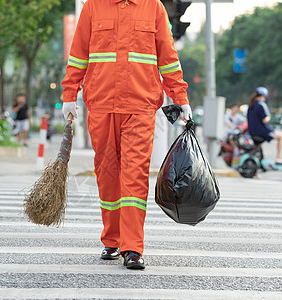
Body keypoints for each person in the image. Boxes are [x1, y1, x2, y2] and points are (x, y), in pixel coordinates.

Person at [61, 0, 190, 270]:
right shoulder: (93, 7)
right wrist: (69, 95)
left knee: (134, 175)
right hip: (101, 105)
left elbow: (167, 57)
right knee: (107, 175)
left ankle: (132, 248)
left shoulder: (153, 7)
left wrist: (181, 97)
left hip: (140, 106)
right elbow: (78, 54)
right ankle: (112, 238)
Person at [247, 87, 282, 164]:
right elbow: (264, 120)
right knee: (281, 136)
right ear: (263, 96)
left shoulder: (251, 105)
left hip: (252, 131)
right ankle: (278, 158)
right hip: (261, 131)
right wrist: (269, 117)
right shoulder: (261, 105)